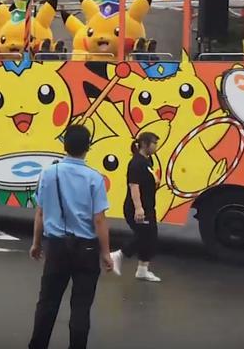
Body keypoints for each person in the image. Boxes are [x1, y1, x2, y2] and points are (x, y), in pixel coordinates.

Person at [28, 124, 114, 349]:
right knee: (81, 306)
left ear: (65, 145)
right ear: (88, 147)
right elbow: (99, 220)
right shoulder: (95, 178)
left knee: (47, 302)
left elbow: (40, 212)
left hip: (56, 247)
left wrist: (37, 244)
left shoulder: (48, 174)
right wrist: (105, 253)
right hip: (86, 249)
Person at [110, 132, 162, 282]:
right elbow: (134, 186)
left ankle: (142, 270)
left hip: (149, 206)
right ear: (145, 144)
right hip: (137, 208)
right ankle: (118, 255)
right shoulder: (136, 163)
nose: (156, 146)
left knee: (150, 238)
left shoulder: (147, 160)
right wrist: (139, 209)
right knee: (146, 236)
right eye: (154, 143)